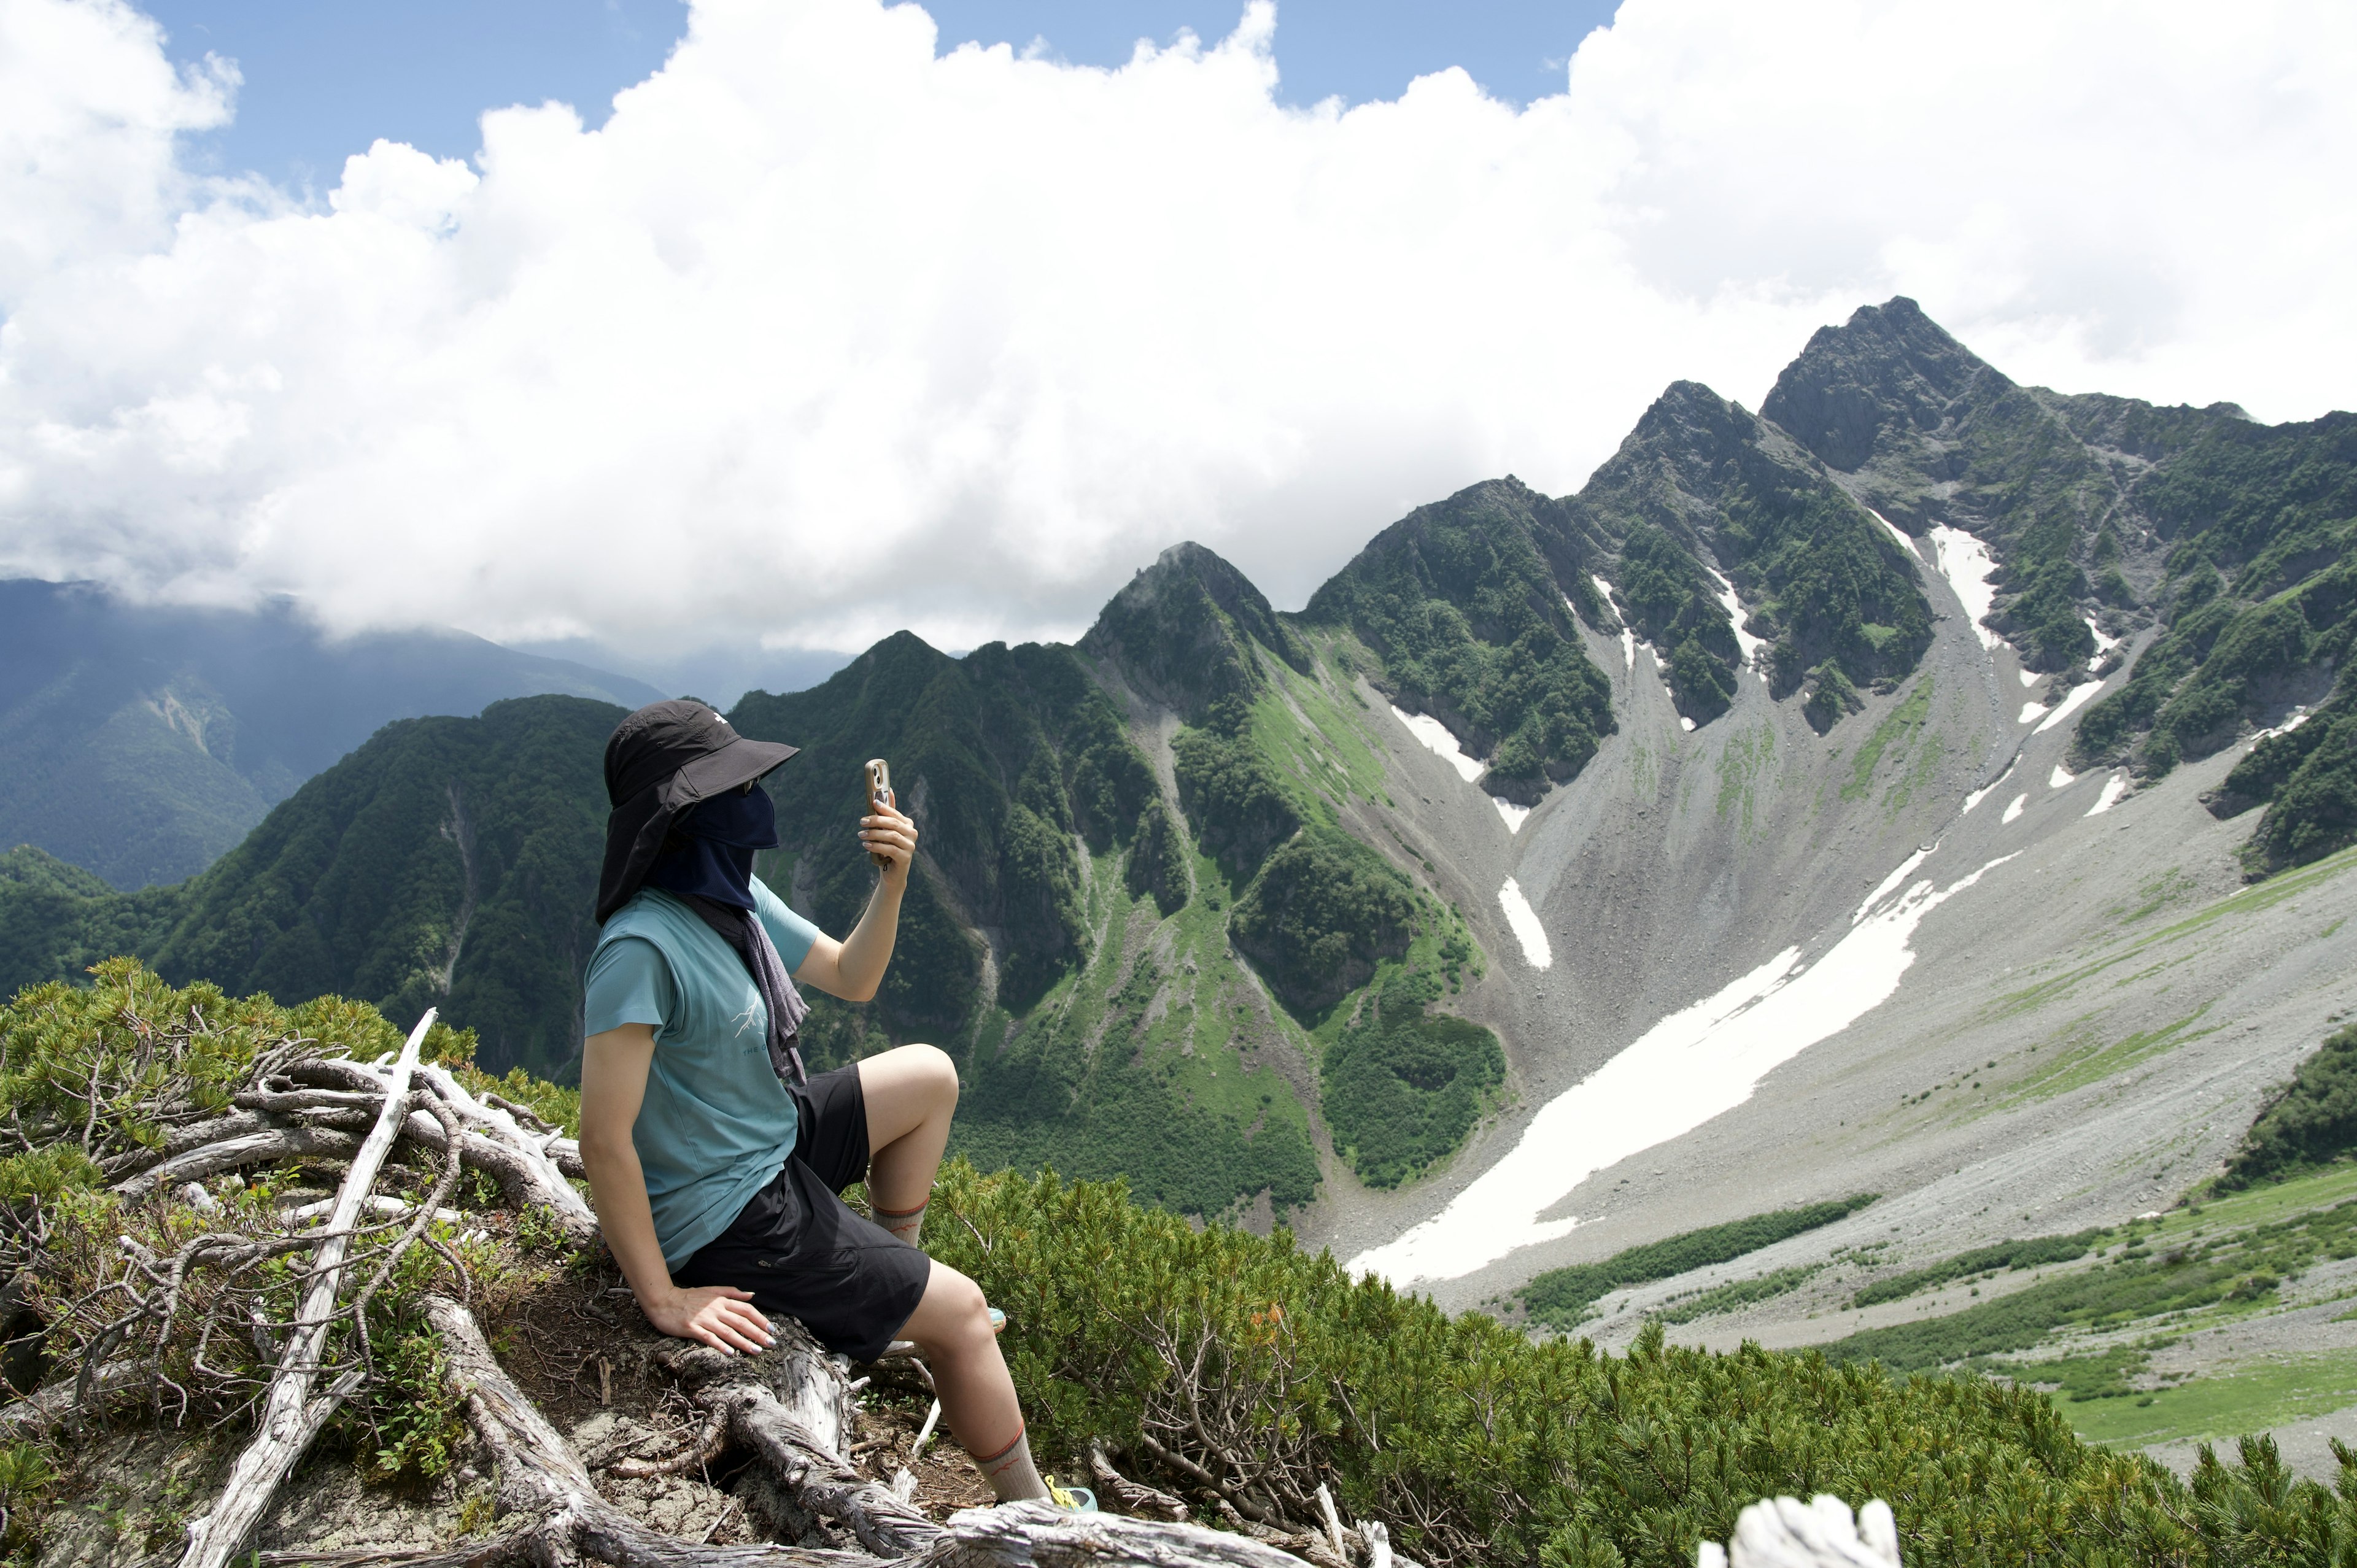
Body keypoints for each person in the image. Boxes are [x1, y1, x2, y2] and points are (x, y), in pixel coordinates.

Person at [575, 700, 1071, 1507]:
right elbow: (603, 1141)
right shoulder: (641, 946)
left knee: (932, 1075)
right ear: (679, 815)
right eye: (730, 789)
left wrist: (894, 880)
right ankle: (1040, 1527)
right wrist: (662, 1296)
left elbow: (852, 976)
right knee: (968, 1313)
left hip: (769, 1141)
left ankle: (890, 1300)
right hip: (729, 1215)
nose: (753, 803)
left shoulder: (730, 895)